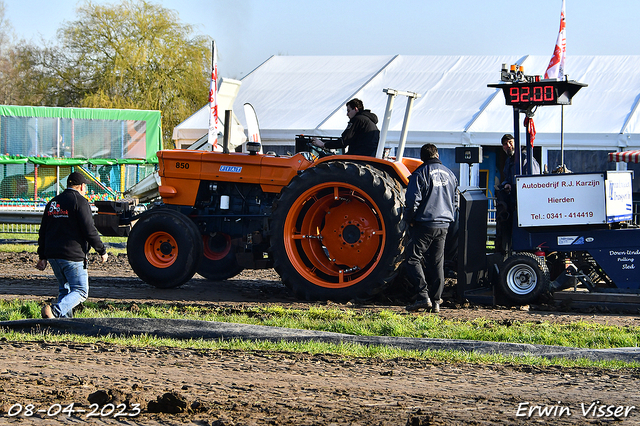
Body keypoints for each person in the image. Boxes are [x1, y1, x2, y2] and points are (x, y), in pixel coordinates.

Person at [36, 172, 108, 318]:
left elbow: (43, 230)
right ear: (81, 186)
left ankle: (63, 324)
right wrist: (102, 250)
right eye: (85, 186)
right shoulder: (80, 202)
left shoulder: (53, 203)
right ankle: (55, 311)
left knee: (65, 290)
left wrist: (42, 256)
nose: (86, 189)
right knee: (81, 291)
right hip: (72, 256)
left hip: (53, 256)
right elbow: (89, 229)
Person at [404, 144, 457, 313]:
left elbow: (412, 201)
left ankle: (423, 296)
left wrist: (409, 219)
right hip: (444, 224)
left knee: (412, 258)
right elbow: (456, 201)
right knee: (437, 263)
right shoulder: (450, 174)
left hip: (425, 223)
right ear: (437, 154)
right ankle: (436, 302)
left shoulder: (420, 173)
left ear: (422, 157)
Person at [495, 134, 541, 253]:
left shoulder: (525, 158)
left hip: (526, 206)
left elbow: (532, 182)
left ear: (516, 142)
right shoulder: (509, 161)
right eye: (505, 144)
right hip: (514, 203)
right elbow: (507, 178)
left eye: (510, 142)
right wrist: (506, 184)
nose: (508, 146)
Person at [312, 98, 379, 156]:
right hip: (366, 154)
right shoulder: (368, 121)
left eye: (348, 111)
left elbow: (343, 141)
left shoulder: (357, 119)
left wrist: (323, 144)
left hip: (359, 155)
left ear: (356, 109)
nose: (347, 114)